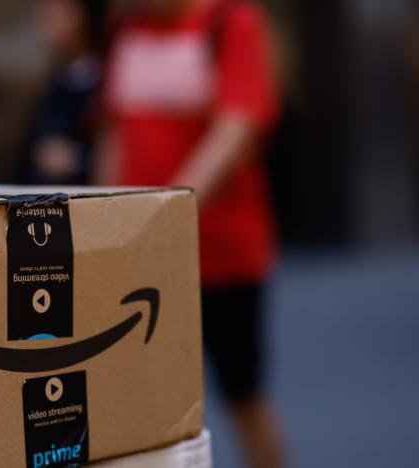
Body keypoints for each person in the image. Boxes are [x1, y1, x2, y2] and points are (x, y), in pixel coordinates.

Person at [96, 0, 285, 466]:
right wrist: (98, 220)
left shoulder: (232, 21)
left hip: (220, 255)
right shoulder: (128, 27)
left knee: (242, 395)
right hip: (137, 253)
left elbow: (236, 128)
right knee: (139, 403)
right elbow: (115, 131)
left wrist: (166, 213)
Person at [21, 0, 105, 185]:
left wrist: (77, 160)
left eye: (53, 10)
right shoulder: (57, 79)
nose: (43, 18)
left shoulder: (105, 79)